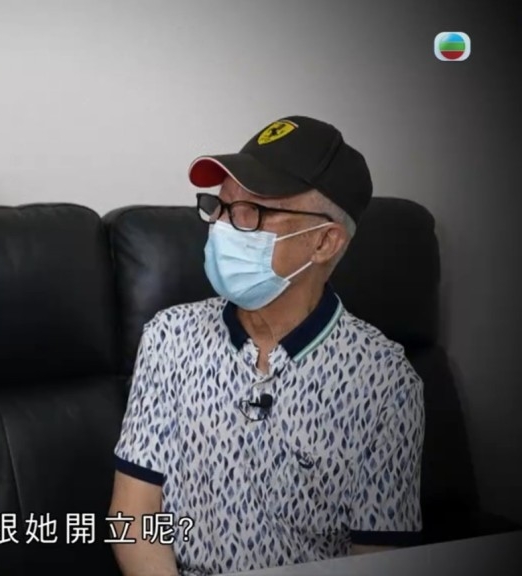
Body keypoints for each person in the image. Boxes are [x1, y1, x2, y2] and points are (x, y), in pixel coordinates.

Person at [109, 116, 425, 575]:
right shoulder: (169, 337)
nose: (221, 226)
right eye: (221, 206)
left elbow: (378, 557)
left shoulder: (385, 384)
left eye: (251, 212)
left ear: (324, 242)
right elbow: (133, 517)